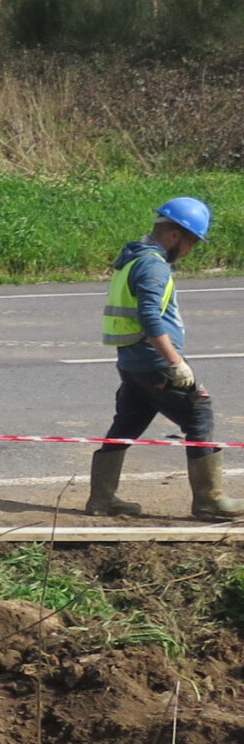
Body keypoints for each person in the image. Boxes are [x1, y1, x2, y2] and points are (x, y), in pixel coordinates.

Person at [87, 196, 236, 520]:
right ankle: (209, 500)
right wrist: (176, 363)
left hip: (131, 361)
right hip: (154, 361)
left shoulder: (132, 258)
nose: (190, 250)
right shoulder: (153, 265)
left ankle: (102, 497)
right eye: (191, 243)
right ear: (174, 235)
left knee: (128, 423)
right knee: (199, 413)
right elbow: (150, 317)